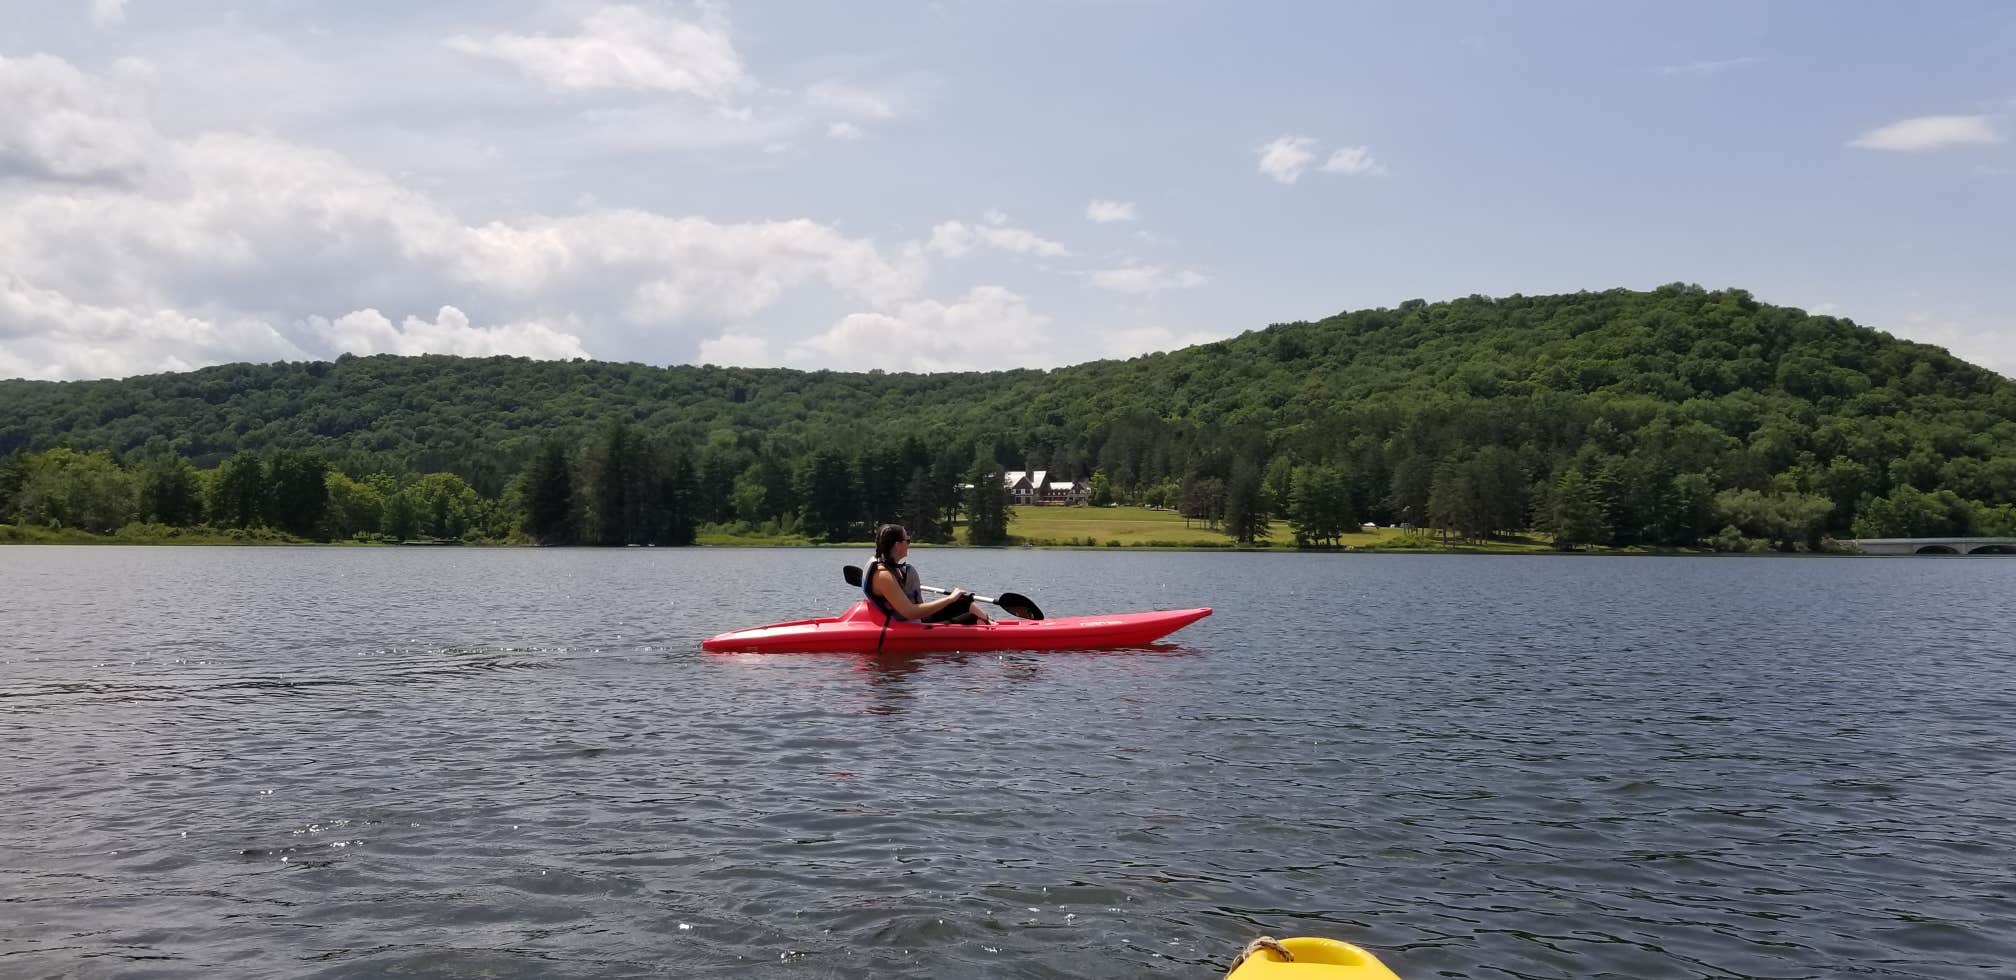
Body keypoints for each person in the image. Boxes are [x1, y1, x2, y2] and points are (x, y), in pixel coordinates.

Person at [863, 523, 992, 625]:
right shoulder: (884, 576)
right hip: (910, 625)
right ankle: (992, 629)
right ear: (897, 545)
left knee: (963, 602)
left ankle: (991, 623)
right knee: (970, 618)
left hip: (914, 620)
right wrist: (949, 599)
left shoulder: (887, 566)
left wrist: (952, 600)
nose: (909, 544)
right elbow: (910, 612)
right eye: (907, 540)